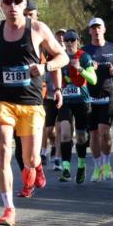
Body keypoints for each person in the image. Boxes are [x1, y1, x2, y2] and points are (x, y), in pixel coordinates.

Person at [0, 0, 66, 226]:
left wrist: (45, 67)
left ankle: (35, 166)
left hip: (31, 103)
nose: (13, 5)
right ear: (1, 5)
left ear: (25, 4)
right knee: (5, 151)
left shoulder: (38, 29)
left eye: (18, 1)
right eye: (8, 1)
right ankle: (8, 208)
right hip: (3, 101)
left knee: (31, 157)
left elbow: (63, 56)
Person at [82, 17, 113, 182]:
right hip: (89, 96)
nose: (96, 30)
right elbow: (78, 71)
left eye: (99, 27)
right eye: (93, 28)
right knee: (92, 133)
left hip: (107, 93)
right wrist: (87, 68)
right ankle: (97, 166)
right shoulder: (84, 51)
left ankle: (107, 164)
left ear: (104, 29)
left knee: (104, 132)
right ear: (90, 31)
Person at [56, 30, 96, 183]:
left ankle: (81, 166)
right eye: (66, 40)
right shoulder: (60, 57)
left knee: (80, 137)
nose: (69, 43)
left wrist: (80, 69)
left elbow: (93, 79)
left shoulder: (84, 56)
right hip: (66, 101)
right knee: (65, 133)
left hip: (82, 101)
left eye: (72, 40)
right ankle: (66, 169)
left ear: (78, 41)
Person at [41, 27, 67, 171]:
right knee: (48, 129)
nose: (62, 39)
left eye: (64, 37)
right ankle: (51, 147)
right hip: (50, 97)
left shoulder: (70, 56)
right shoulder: (50, 56)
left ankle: (56, 158)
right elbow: (43, 75)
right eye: (59, 36)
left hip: (65, 97)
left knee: (59, 128)